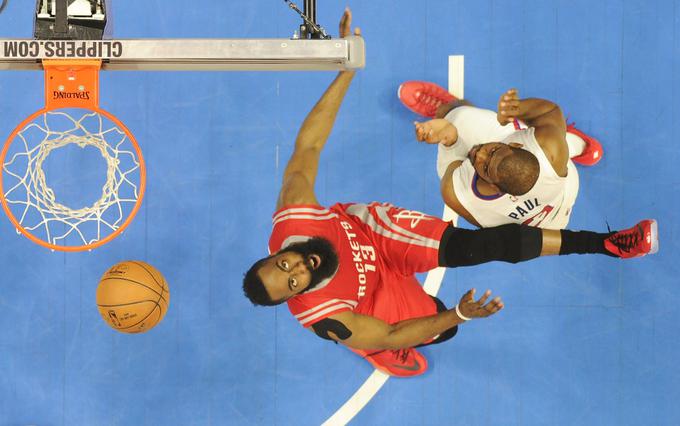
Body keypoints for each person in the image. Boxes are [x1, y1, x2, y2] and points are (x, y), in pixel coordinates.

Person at [242, 9, 658, 378]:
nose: (299, 268)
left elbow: (309, 144)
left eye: (284, 263)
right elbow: (391, 330)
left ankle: (605, 244)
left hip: (371, 234)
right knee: (442, 328)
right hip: (372, 302)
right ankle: (381, 355)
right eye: (294, 281)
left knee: (490, 245)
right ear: (297, 295)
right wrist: (458, 312)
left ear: (278, 250)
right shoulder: (327, 317)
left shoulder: (294, 215)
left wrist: (345, 71)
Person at [399, 81, 602, 229]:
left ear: (494, 187)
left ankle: (447, 108)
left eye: (485, 167)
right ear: (516, 144)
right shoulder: (548, 151)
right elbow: (549, 113)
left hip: (552, 220)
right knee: (559, 140)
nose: (479, 155)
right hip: (565, 191)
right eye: (493, 151)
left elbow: (450, 140)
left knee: (459, 117)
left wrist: (447, 136)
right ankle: (582, 145)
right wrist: (517, 109)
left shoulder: (461, 195)